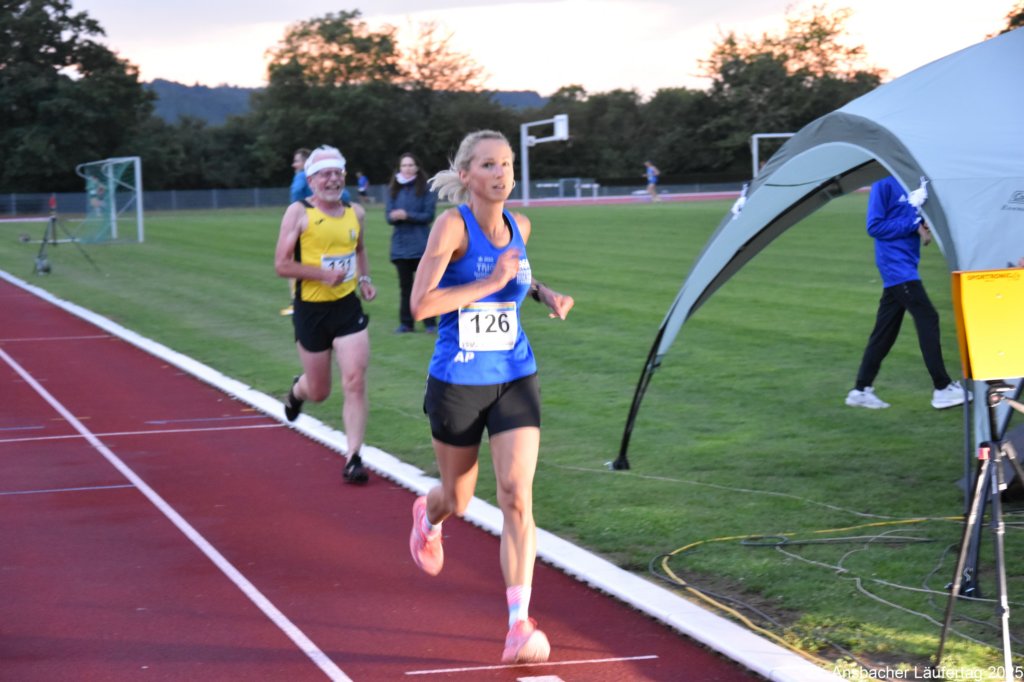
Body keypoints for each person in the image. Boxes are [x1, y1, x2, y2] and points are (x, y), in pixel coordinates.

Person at [406, 130, 574, 664]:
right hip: (457, 381)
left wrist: (544, 292)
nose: (501, 174)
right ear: (466, 175)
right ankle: (428, 517)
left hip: (515, 375)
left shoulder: (520, 225)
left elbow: (517, 275)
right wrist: (489, 282)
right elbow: (420, 305)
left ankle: (518, 624)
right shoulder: (451, 227)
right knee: (457, 499)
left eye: (506, 164)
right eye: (488, 165)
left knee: (516, 495)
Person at [274, 145, 377, 483]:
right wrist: (321, 275)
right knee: (319, 391)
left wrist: (364, 279)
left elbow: (359, 249)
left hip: (347, 307)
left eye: (337, 173)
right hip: (311, 310)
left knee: (355, 380)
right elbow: (282, 265)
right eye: (324, 175)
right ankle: (297, 391)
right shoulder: (298, 213)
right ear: (311, 181)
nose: (332, 180)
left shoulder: (355, 212)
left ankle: (354, 458)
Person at [845, 175, 968, 411]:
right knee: (928, 317)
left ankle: (860, 390)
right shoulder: (884, 182)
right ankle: (942, 387)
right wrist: (914, 225)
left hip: (905, 265)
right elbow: (874, 226)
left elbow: (913, 216)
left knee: (885, 331)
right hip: (897, 268)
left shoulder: (913, 179)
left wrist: (922, 224)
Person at [385, 153, 438, 334]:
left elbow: (428, 216)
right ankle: (406, 324)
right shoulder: (393, 188)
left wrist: (407, 215)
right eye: (404, 165)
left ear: (417, 168)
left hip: (421, 245)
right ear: (399, 168)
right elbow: (388, 216)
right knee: (405, 288)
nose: (407, 168)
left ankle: (430, 323)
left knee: (426, 287)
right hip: (400, 247)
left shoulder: (426, 188)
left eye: (410, 165)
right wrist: (394, 216)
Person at [282, 148, 314, 316]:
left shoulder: (302, 176)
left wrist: (295, 210)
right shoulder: (317, 177)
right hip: (317, 222)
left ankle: (296, 301)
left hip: (302, 223)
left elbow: (296, 191)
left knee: (292, 262)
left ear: (305, 163)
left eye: (297, 161)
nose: (294, 164)